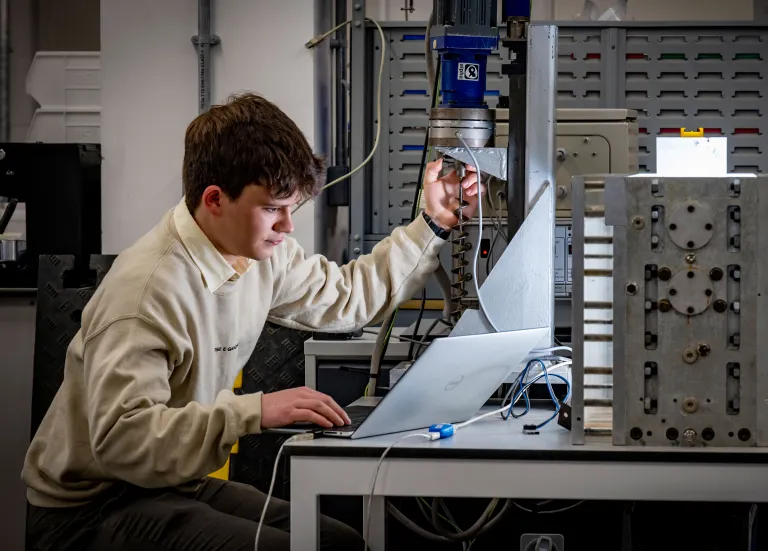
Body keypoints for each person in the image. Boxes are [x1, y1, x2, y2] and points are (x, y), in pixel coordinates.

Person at [22, 92, 483, 550]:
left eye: (292, 208)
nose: (288, 226)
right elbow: (123, 440)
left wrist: (434, 222)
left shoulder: (256, 256)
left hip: (174, 481)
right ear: (215, 199)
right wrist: (255, 411)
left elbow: (346, 299)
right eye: (272, 208)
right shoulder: (147, 293)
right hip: (90, 507)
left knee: (335, 542)